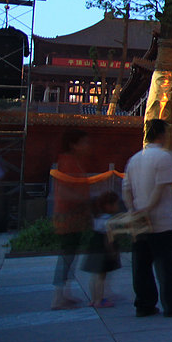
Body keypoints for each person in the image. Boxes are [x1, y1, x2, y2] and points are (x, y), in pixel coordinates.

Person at [122, 119, 172, 317]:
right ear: (162, 134)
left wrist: (134, 212)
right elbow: (160, 188)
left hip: (139, 222)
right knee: (167, 266)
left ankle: (144, 305)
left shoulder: (134, 159)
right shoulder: (164, 157)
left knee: (141, 266)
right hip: (160, 221)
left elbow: (126, 190)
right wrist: (147, 210)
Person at [51, 129, 93, 310]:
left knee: (70, 254)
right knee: (67, 254)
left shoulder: (73, 161)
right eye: (83, 142)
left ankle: (65, 293)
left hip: (75, 215)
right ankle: (58, 297)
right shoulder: (67, 162)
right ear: (73, 144)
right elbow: (65, 190)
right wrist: (82, 199)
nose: (87, 146)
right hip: (69, 215)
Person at [82, 191, 122, 308]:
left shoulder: (96, 218)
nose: (117, 207)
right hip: (102, 250)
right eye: (115, 204)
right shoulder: (108, 220)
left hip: (93, 247)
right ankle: (99, 300)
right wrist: (112, 251)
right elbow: (108, 238)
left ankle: (94, 299)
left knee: (94, 276)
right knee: (101, 276)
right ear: (108, 206)